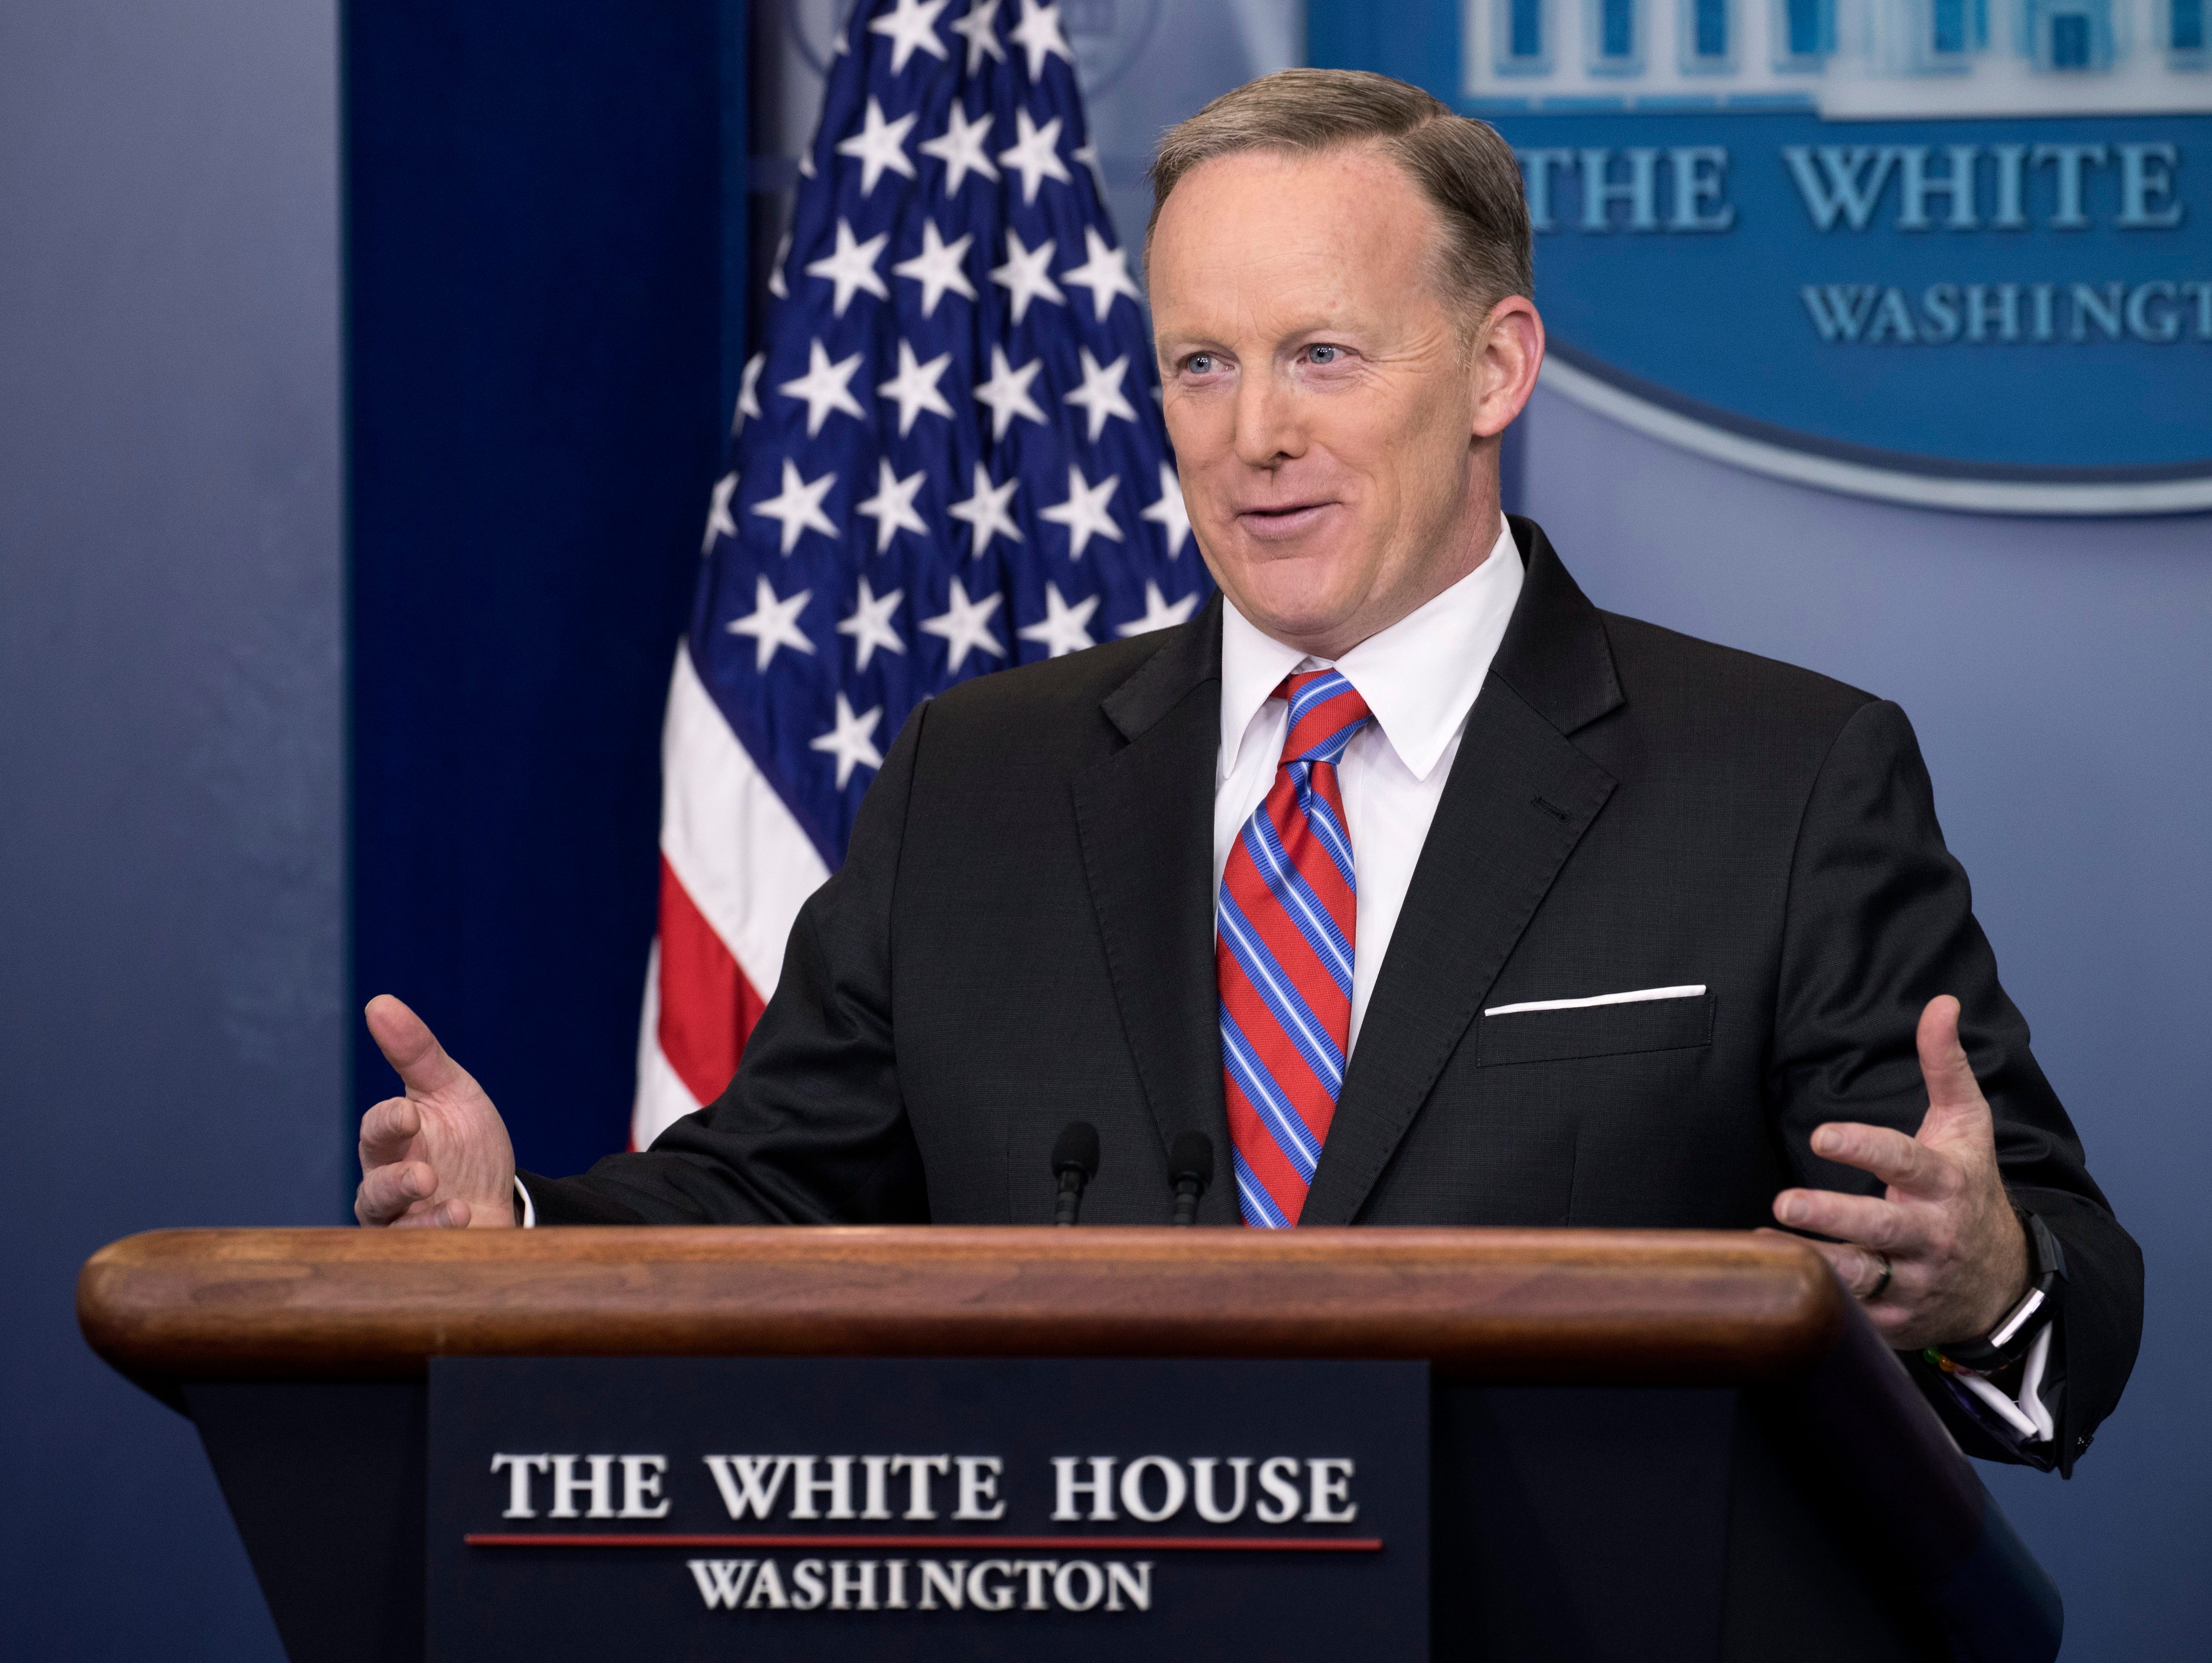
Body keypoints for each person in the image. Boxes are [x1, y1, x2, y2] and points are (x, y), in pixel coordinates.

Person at [351, 70, 2139, 1473]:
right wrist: (513, 1221)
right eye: (1199, 365)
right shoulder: (982, 777)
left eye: (1320, 356)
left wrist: (1985, 1278)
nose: (1252, 434)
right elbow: (773, 1195)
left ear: (1495, 367)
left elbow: (2047, 1277)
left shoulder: (1783, 779)